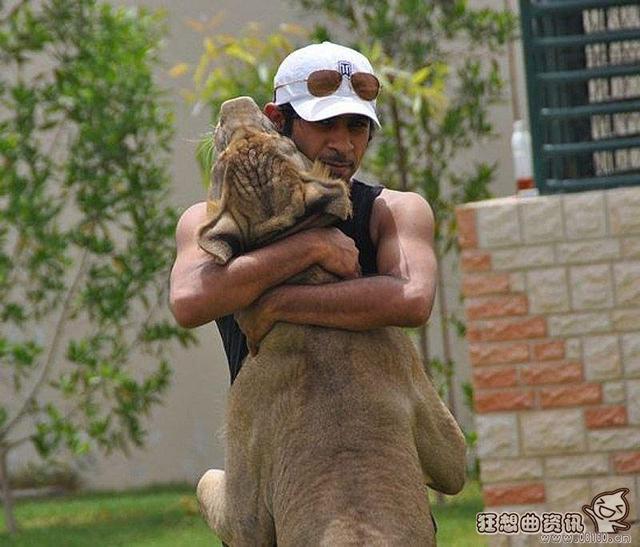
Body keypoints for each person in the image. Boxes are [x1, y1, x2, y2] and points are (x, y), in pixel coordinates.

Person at [169, 42, 438, 383]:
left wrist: (279, 304)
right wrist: (313, 247)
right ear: (277, 120)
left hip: (374, 431)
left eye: (356, 126)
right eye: (325, 124)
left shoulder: (393, 210)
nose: (343, 145)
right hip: (273, 430)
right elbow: (190, 301)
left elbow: (411, 299)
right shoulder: (210, 218)